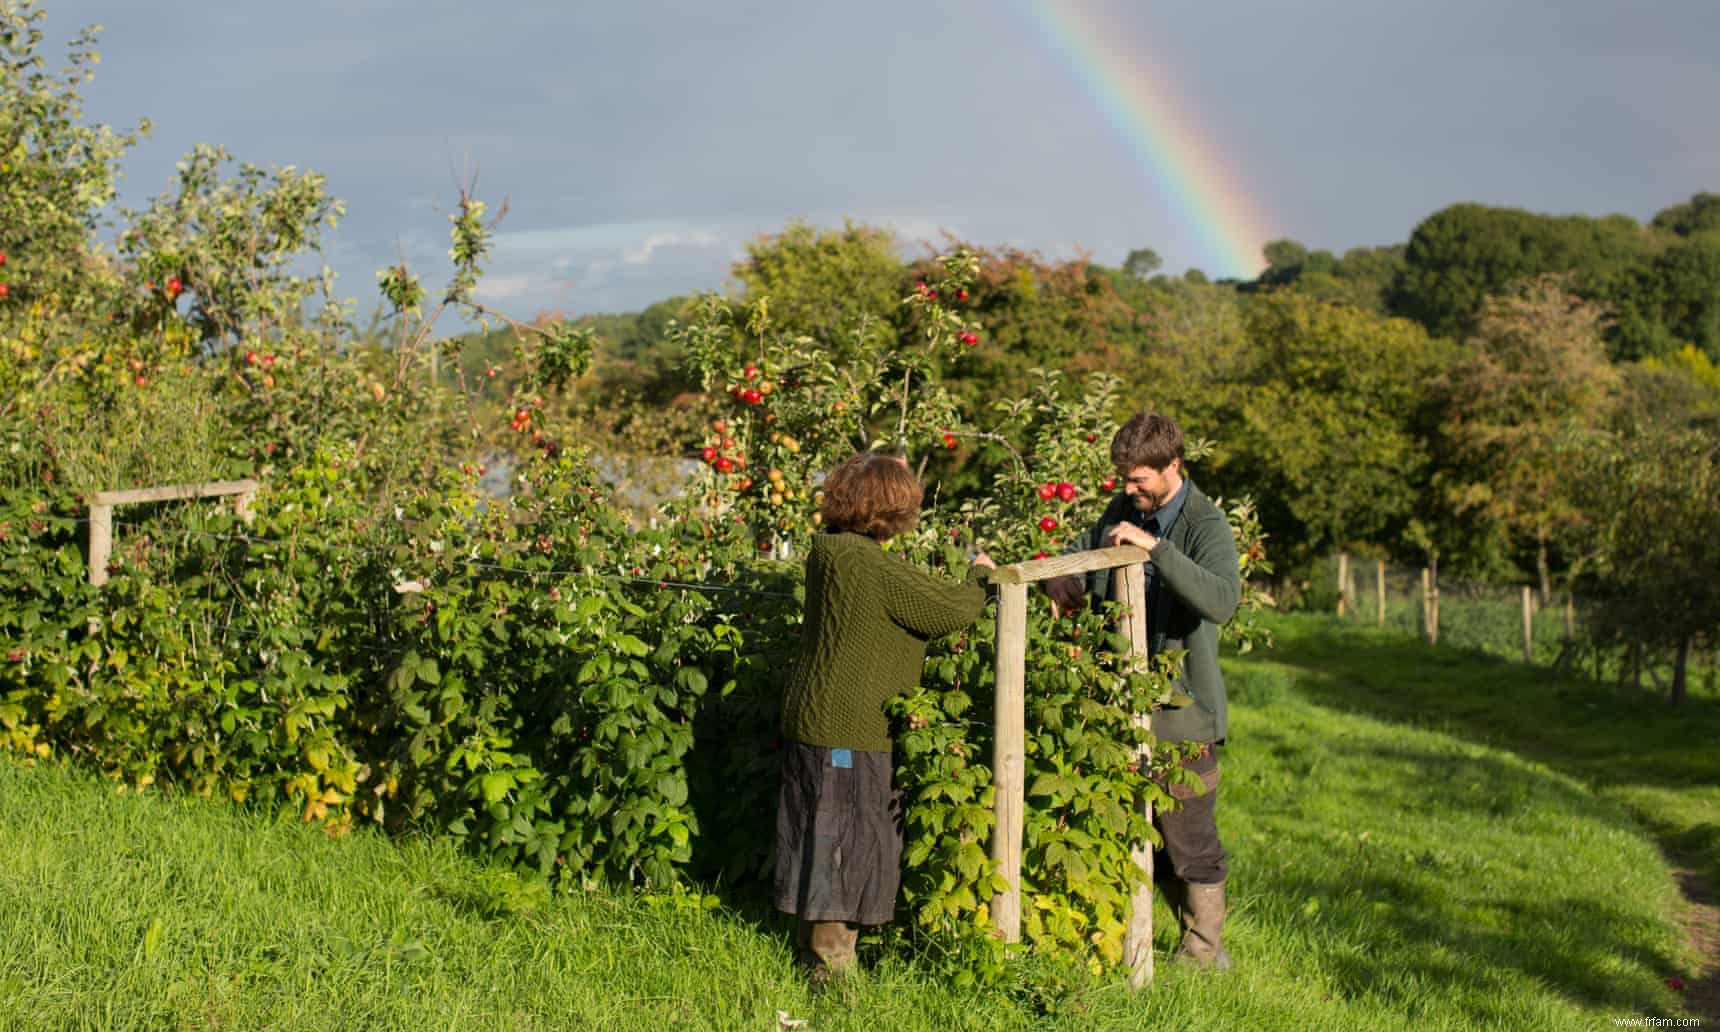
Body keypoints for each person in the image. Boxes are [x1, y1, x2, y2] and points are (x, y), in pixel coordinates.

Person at [774, 451, 994, 983]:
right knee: (844, 843)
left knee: (820, 837)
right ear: (890, 511)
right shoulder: (866, 563)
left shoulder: (829, 551)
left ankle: (815, 957)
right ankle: (834, 971)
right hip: (850, 726)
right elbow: (947, 610)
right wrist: (980, 577)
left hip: (815, 719)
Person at [1044, 412, 1240, 970]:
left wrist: (1156, 550)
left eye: (1139, 480)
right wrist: (1066, 578)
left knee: (1189, 839)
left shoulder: (1205, 524)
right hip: (1120, 706)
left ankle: (1203, 954)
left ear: (1173, 467)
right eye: (1124, 480)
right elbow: (1090, 557)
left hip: (1184, 714)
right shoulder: (1123, 509)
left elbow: (1223, 601)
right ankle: (1148, 938)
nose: (1128, 491)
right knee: (1141, 836)